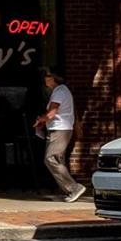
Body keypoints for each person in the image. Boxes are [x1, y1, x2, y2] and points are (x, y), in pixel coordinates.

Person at [34, 69, 84, 202]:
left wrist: (41, 120)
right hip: (59, 128)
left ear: (55, 78)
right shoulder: (60, 91)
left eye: (48, 76)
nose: (46, 78)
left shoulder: (60, 92)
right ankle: (67, 191)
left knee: (51, 158)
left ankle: (74, 188)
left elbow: (51, 114)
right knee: (59, 160)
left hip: (60, 129)